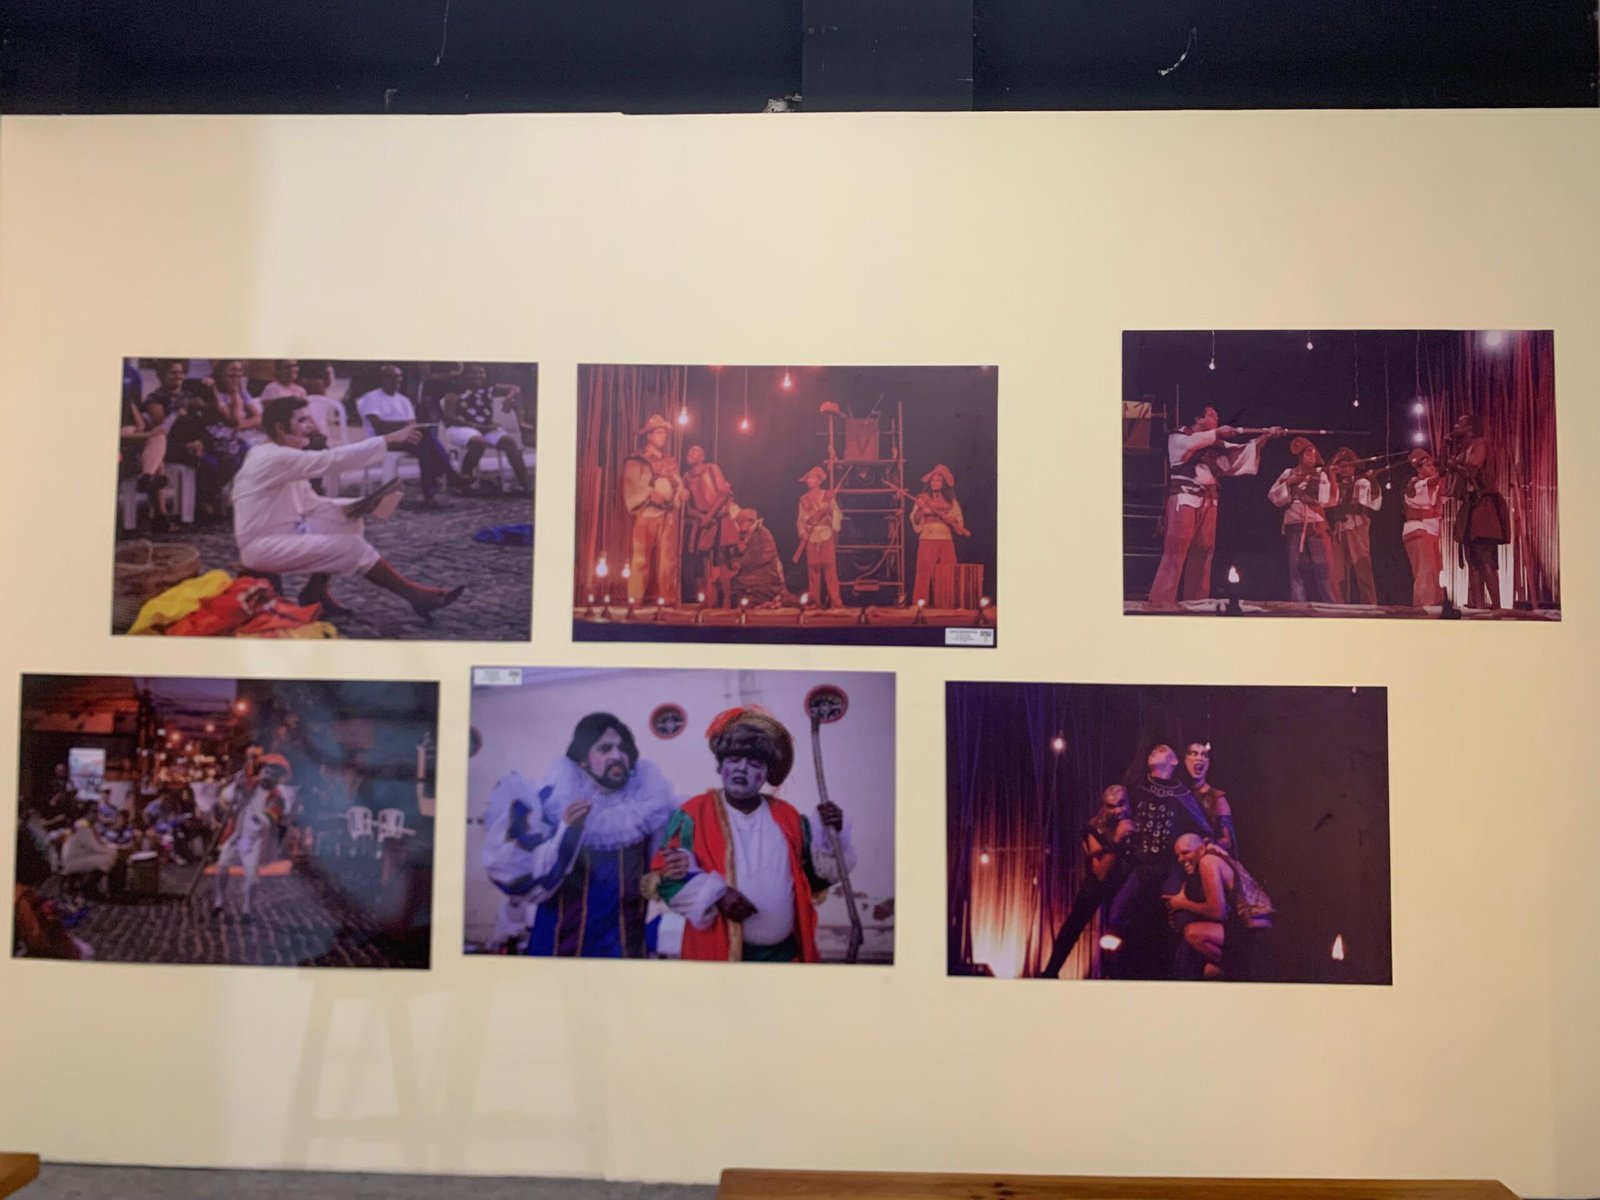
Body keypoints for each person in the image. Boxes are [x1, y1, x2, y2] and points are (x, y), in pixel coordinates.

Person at [650, 707, 855, 963]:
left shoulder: (788, 816)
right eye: (734, 760)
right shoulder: (693, 814)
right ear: (720, 766)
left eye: (754, 763)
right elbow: (666, 877)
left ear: (766, 775)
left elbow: (816, 878)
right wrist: (716, 895)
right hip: (718, 955)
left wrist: (829, 832)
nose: (742, 769)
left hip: (785, 956)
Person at [232, 396, 465, 622]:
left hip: (282, 535)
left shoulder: (279, 456)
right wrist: (387, 440)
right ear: (280, 428)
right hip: (262, 546)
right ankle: (415, 595)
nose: (310, 426)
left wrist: (359, 504)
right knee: (352, 548)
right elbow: (332, 460)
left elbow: (310, 504)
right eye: (302, 420)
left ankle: (316, 592)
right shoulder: (273, 457)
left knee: (348, 520)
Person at [479, 713, 680, 957]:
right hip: (561, 950)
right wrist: (566, 833)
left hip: (626, 949)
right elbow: (522, 881)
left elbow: (664, 873)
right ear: (583, 760)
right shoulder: (552, 804)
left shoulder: (648, 811)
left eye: (622, 748)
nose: (617, 756)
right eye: (605, 749)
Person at [1146, 408, 1283, 609]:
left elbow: (1239, 453)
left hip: (1209, 501)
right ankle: (1161, 600)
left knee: (1203, 552)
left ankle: (1196, 601)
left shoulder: (1215, 444)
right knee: (1176, 551)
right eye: (1211, 415)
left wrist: (1266, 436)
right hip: (1184, 499)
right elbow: (1192, 444)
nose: (1216, 418)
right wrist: (1217, 432)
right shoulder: (1178, 436)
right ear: (1197, 418)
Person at [1039, 785, 1136, 979]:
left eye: (1121, 804)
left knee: (1123, 930)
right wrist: (1116, 839)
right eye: (1111, 806)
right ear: (1104, 807)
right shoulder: (1093, 827)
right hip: (1097, 885)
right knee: (1073, 926)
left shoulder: (1136, 823)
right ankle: (1050, 971)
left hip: (1124, 884)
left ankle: (1118, 976)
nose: (1118, 811)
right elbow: (1100, 873)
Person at [1163, 833, 1273, 980]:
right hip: (1250, 928)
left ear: (1201, 849)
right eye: (1177, 855)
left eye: (1185, 852)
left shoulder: (1207, 861)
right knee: (1208, 971)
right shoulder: (1216, 857)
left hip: (1255, 931)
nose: (1180, 859)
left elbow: (1217, 911)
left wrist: (1182, 903)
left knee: (1192, 933)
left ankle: (1240, 972)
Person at [356, 364, 461, 503]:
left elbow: (412, 424)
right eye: (391, 377)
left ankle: (432, 492)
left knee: (425, 445)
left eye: (399, 378)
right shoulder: (372, 398)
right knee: (426, 441)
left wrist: (405, 426)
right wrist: (403, 424)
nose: (396, 381)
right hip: (383, 440)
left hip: (406, 438)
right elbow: (379, 427)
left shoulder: (403, 400)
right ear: (382, 379)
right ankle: (447, 477)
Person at [212, 753, 296, 921]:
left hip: (253, 840)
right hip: (237, 835)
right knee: (222, 866)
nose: (268, 776)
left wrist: (261, 818)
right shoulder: (248, 786)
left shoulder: (277, 797)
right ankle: (219, 901)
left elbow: (272, 817)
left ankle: (247, 909)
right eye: (266, 772)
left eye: (273, 774)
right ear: (261, 772)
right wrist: (236, 784)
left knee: (251, 875)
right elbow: (228, 798)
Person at [1444, 414, 1509, 609]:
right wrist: (1444, 447)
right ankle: (1479, 606)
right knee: (1472, 558)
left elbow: (1471, 469)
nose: (1455, 426)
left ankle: (1497, 606)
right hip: (1470, 504)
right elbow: (1443, 468)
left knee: (1484, 556)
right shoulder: (1463, 450)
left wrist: (1455, 465)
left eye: (1460, 423)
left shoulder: (1480, 444)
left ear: (1470, 428)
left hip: (1483, 504)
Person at [621, 415, 685, 605]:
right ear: (649, 435)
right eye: (658, 432)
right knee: (641, 559)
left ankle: (668, 599)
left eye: (664, 433)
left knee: (668, 560)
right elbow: (631, 485)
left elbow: (678, 483)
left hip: (668, 514)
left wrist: (681, 492)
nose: (663, 436)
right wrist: (649, 493)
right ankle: (635, 598)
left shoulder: (670, 461)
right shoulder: (638, 459)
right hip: (647, 513)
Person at [440, 363, 532, 495]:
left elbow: (515, 388)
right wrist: (478, 426)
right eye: (473, 373)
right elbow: (449, 418)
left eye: (481, 372)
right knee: (478, 442)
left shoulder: (489, 388)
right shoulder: (455, 392)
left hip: (485, 428)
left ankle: (526, 487)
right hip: (459, 428)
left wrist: (508, 398)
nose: (477, 376)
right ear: (464, 375)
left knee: (509, 442)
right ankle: (463, 479)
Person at [1268, 437, 1337, 604]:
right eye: (1308, 454)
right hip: (1294, 523)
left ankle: (1332, 605)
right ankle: (1298, 605)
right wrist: (1289, 483)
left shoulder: (1320, 474)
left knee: (1323, 567)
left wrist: (1312, 498)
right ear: (1300, 456)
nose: (1311, 457)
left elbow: (1327, 500)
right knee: (1296, 568)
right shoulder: (1288, 473)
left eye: (1314, 455)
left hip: (1315, 523)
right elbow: (1273, 495)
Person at [682, 444, 740, 606]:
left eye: (694, 451)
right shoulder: (686, 477)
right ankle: (706, 599)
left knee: (721, 558)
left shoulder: (712, 468)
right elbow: (689, 508)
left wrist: (710, 514)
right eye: (689, 451)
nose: (690, 453)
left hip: (718, 517)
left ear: (702, 457)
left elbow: (723, 493)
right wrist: (702, 517)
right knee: (702, 560)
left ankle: (726, 599)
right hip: (702, 521)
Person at [908, 464, 971, 607]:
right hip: (928, 538)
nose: (934, 483)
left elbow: (958, 520)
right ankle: (920, 604)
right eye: (933, 480)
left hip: (946, 539)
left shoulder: (951, 501)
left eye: (938, 480)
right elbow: (915, 520)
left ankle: (948, 603)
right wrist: (920, 509)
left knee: (949, 571)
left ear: (944, 483)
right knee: (923, 572)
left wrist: (952, 519)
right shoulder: (922, 498)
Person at [1326, 448, 1383, 605]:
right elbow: (1329, 501)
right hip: (1339, 528)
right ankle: (1340, 603)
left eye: (1348, 465)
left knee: (1361, 566)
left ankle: (1369, 603)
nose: (1344, 469)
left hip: (1356, 526)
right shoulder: (1336, 485)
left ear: (1354, 467)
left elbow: (1371, 503)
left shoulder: (1361, 482)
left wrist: (1372, 481)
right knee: (1339, 571)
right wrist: (1332, 475)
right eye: (1341, 466)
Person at [1402, 449, 1445, 606]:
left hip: (1431, 532)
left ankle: (1434, 605)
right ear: (1419, 469)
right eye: (1428, 465)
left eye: (1433, 464)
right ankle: (1423, 607)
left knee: (1435, 572)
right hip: (1418, 530)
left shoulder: (1433, 486)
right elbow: (1433, 481)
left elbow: (1446, 491)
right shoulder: (1415, 483)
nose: (1432, 467)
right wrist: (1443, 470)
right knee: (1425, 571)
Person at [796, 466, 843, 608]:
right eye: (809, 478)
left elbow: (837, 513)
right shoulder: (804, 499)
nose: (810, 481)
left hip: (826, 534)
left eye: (813, 478)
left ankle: (835, 601)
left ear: (819, 480)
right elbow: (800, 519)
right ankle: (814, 601)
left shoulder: (828, 496)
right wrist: (803, 532)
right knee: (813, 569)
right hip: (812, 536)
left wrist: (831, 515)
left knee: (830, 569)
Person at [1181, 742, 1237, 856]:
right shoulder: (1178, 793)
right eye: (1194, 753)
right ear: (1185, 760)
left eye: (1204, 755)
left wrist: (1208, 844)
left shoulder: (1217, 798)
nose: (1200, 758)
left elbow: (1228, 841)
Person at [727, 508, 790, 607]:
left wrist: (741, 562)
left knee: (748, 586)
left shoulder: (763, 533)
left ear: (750, 521)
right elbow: (732, 553)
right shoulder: (742, 535)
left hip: (764, 575)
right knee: (727, 584)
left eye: (741, 521)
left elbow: (762, 557)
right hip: (747, 574)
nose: (738, 523)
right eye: (737, 521)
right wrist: (734, 559)